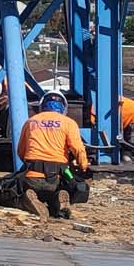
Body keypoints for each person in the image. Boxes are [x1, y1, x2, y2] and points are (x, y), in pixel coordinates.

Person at [15, 89, 89, 219]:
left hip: (32, 176)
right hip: (57, 177)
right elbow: (78, 149)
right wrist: (83, 166)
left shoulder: (31, 122)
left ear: (42, 106)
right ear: (64, 107)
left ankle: (29, 199)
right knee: (73, 185)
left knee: (12, 193)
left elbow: (21, 151)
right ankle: (59, 199)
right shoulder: (69, 123)